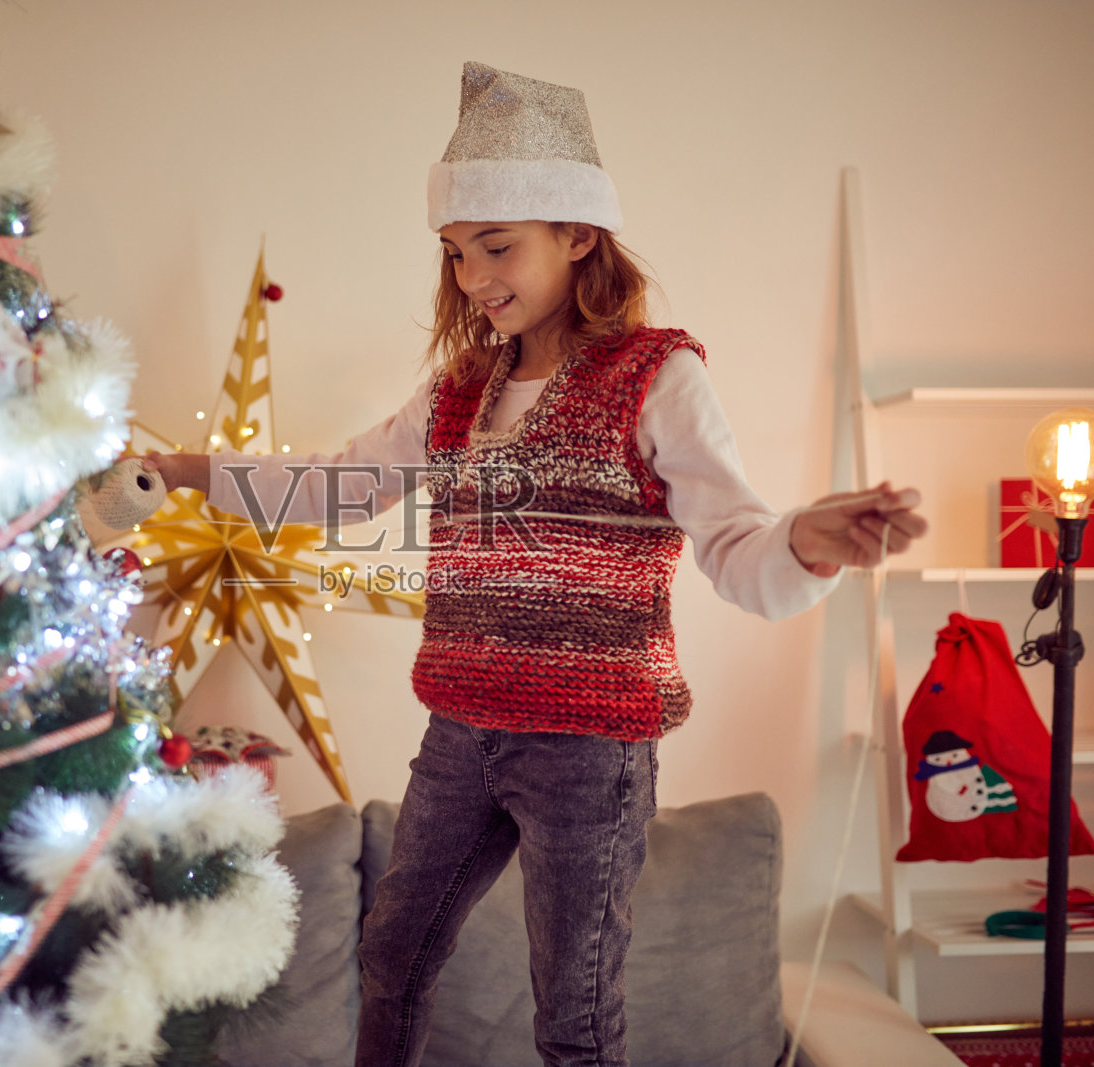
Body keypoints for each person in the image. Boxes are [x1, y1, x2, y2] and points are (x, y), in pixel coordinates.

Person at [145, 61, 927, 1067]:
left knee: (574, 1008)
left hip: (588, 746)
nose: (473, 277)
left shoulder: (656, 375)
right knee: (393, 953)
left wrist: (810, 539)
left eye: (497, 245)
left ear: (578, 234)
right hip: (461, 729)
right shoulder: (458, 389)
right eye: (455, 251)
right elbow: (335, 486)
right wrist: (186, 472)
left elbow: (739, 548)